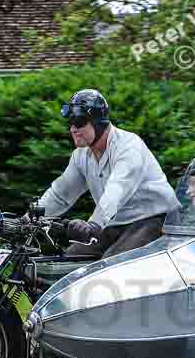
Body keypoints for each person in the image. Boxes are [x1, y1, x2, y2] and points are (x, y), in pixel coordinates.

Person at [36, 89, 180, 258]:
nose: (73, 129)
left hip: (156, 219)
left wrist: (93, 225)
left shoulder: (128, 147)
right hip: (116, 224)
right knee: (68, 261)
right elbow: (61, 193)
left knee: (111, 266)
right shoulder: (81, 156)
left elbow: (116, 190)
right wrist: (29, 218)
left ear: (98, 123)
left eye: (80, 122)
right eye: (70, 123)